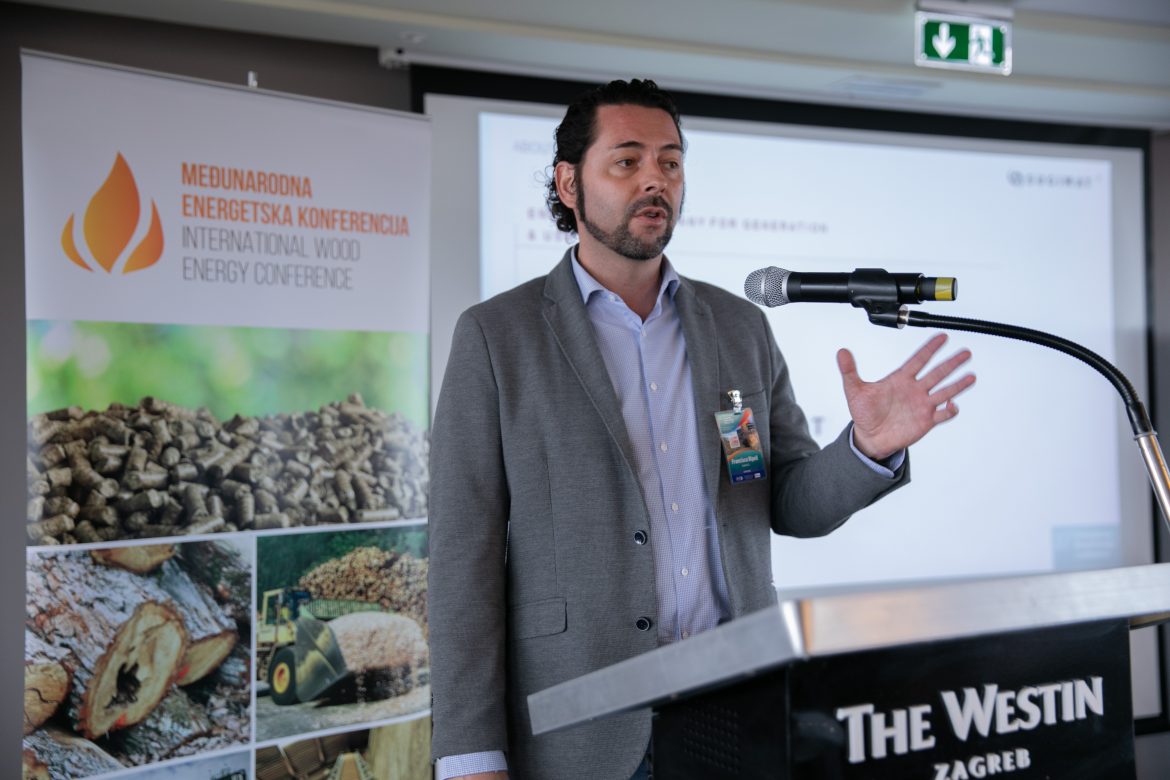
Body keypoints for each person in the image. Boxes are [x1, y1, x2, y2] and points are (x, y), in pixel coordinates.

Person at [428, 79, 975, 780]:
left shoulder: (737, 327)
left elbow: (784, 500)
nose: (655, 180)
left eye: (671, 162)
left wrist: (867, 448)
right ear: (568, 183)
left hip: (738, 711)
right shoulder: (498, 336)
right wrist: (470, 755)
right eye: (627, 161)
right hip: (585, 733)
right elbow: (462, 559)